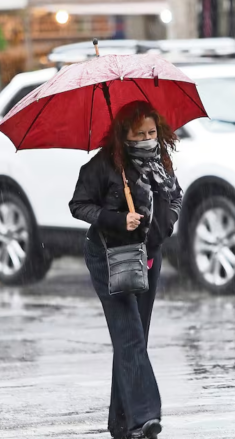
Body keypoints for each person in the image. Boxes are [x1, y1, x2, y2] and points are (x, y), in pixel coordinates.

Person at [69, 100, 183, 439]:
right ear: (124, 135)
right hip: (109, 257)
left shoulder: (161, 162)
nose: (147, 139)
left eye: (152, 132)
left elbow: (176, 197)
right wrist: (120, 219)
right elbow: (79, 205)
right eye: (139, 134)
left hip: (148, 257)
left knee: (134, 340)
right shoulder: (104, 165)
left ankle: (121, 423)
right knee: (130, 336)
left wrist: (167, 220)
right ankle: (145, 418)